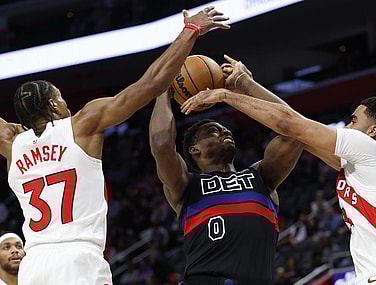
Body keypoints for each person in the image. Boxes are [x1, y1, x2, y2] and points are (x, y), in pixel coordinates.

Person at [0, 6, 229, 284]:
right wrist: (190, 31)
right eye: (61, 99)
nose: (66, 104)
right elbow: (150, 84)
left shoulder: (11, 143)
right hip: (78, 258)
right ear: (52, 104)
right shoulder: (82, 124)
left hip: (33, 265)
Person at [181, 55, 376, 284]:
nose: (346, 125)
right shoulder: (369, 164)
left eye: (353, 120)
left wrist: (226, 96)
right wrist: (246, 84)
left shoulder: (373, 150)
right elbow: (298, 128)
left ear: (372, 131)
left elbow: (289, 123)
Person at [149, 80, 303, 284]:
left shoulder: (261, 176)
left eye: (226, 130)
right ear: (195, 150)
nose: (225, 132)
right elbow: (161, 145)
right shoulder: (187, 185)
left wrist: (246, 86)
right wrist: (163, 92)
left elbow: (296, 130)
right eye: (214, 131)